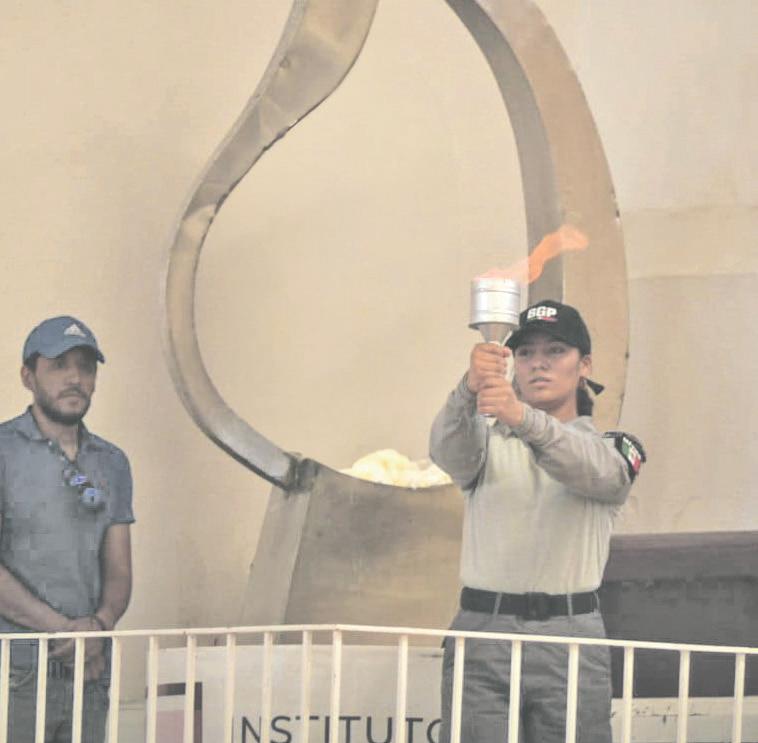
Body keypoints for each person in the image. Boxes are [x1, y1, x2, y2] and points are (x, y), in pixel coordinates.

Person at [430, 300, 645, 743]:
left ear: (585, 365)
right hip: (482, 628)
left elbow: (597, 473)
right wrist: (468, 388)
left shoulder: (613, 446)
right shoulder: (485, 444)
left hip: (570, 634)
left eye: (556, 350)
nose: (538, 363)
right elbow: (445, 450)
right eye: (525, 353)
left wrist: (522, 419)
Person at [0, 316, 134, 743]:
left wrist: (100, 625)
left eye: (86, 366)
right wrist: (64, 630)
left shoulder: (112, 462)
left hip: (89, 671)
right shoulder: (4, 451)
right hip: (16, 671)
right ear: (28, 376)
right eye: (59, 365)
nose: (75, 378)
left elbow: (119, 569)